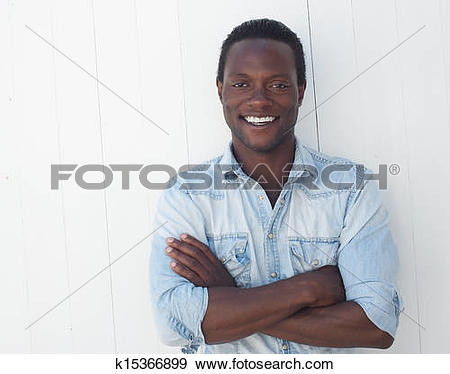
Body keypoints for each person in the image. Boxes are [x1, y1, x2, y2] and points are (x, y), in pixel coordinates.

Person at [149, 18, 403, 354]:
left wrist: (231, 295)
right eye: (241, 84)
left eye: (278, 85)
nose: (258, 100)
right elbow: (173, 324)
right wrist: (308, 289)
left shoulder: (350, 189)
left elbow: (377, 324)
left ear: (300, 92)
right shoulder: (188, 194)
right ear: (220, 90)